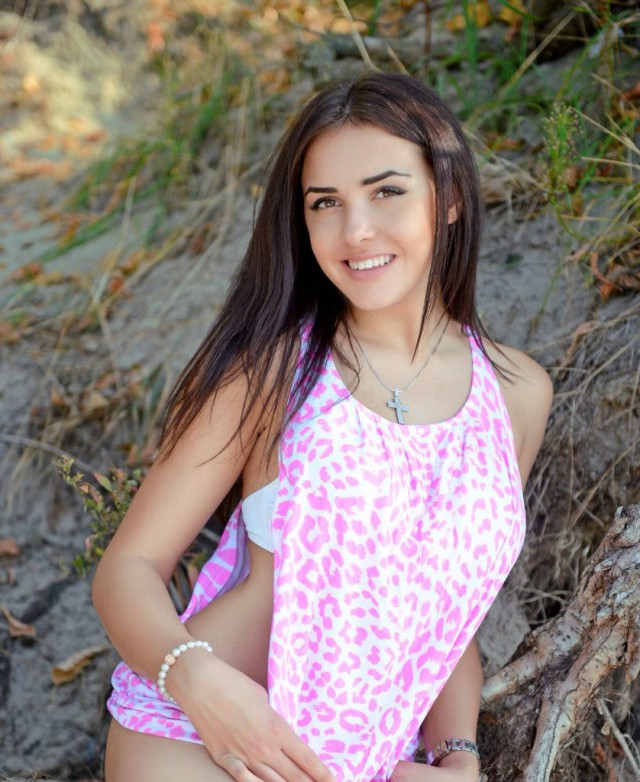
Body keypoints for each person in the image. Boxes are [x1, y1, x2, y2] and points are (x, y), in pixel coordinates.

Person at [92, 71, 552, 782]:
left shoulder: (517, 395)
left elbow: (445, 605)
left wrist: (456, 754)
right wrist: (201, 684)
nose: (355, 230)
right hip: (204, 743)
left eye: (386, 191)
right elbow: (128, 570)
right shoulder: (274, 369)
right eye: (325, 203)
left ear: (451, 197)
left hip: (365, 764)